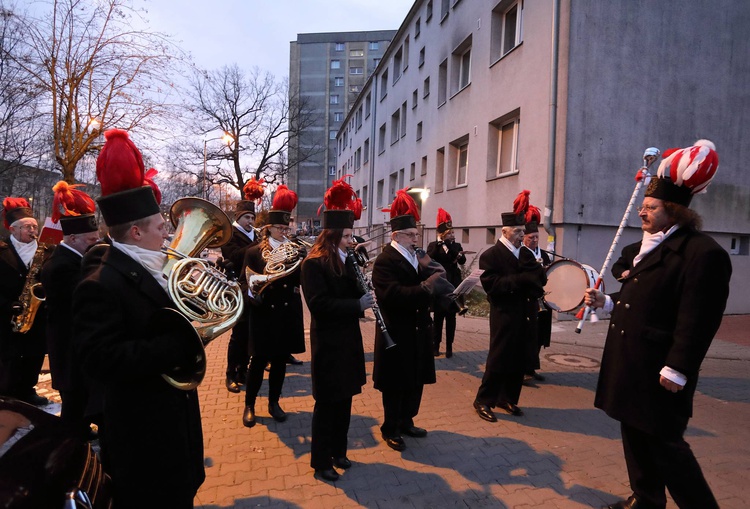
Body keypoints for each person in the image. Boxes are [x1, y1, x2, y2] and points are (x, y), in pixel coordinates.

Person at [584, 140, 729, 509]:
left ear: (674, 212)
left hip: (660, 368)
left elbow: (698, 319)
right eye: (642, 206)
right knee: (633, 434)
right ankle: (647, 500)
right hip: (630, 360)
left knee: (667, 447)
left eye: (650, 207)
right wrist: (607, 301)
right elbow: (641, 302)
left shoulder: (703, 253)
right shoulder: (647, 245)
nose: (641, 212)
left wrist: (678, 368)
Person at [73, 129, 205, 508]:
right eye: (160, 225)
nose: (169, 230)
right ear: (135, 231)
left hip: (174, 422)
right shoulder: (100, 282)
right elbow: (100, 360)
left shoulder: (158, 267)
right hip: (142, 433)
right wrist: (179, 343)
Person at [300, 178, 371, 482]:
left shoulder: (348, 259)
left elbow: (354, 292)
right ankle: (321, 462)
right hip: (328, 342)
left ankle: (339, 451)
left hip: (348, 341)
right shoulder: (314, 264)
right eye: (348, 235)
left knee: (345, 400)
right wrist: (359, 305)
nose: (351, 240)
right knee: (328, 404)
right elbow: (320, 304)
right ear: (334, 234)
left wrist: (362, 280)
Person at [371, 188, 440, 452]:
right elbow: (391, 294)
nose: (415, 238)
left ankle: (408, 420)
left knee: (415, 379)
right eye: (410, 235)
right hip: (397, 331)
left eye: (416, 234)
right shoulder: (385, 260)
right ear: (396, 236)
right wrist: (424, 288)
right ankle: (391, 427)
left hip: (419, 328)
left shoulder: (416, 256)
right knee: (395, 383)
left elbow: (431, 283)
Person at [473, 190, 547, 422]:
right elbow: (492, 285)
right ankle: (483, 400)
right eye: (517, 232)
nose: (521, 235)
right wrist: (523, 280)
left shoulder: (524, 253)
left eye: (522, 232)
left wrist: (536, 276)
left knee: (519, 359)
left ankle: (507, 398)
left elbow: (538, 279)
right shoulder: (491, 256)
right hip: (504, 313)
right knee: (499, 358)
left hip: (526, 313)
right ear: (504, 232)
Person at [242, 185, 305, 427]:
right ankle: (249, 404)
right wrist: (252, 297)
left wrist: (302, 260)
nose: (284, 232)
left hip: (286, 312)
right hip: (262, 313)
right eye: (280, 228)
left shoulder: (294, 250)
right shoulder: (254, 252)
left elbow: (299, 280)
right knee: (257, 362)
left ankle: (274, 402)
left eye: (286, 228)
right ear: (269, 228)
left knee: (279, 362)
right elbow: (244, 282)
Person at [40, 182, 100, 438]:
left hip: (77, 347)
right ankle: (68, 450)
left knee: (83, 400)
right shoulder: (61, 265)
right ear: (72, 238)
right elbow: (84, 298)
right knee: (74, 406)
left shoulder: (77, 258)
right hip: (69, 348)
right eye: (91, 240)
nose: (95, 243)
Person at [0, 198, 54, 406]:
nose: (32, 230)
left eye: (34, 226)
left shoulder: (46, 250)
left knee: (35, 353)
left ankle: (27, 389)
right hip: (9, 314)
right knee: (9, 355)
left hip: (38, 312)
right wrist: (6, 304)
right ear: (13, 230)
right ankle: (7, 391)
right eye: (27, 227)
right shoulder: (2, 250)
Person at [220, 178, 263, 393]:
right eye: (247, 217)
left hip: (252, 288)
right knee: (238, 335)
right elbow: (234, 256)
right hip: (237, 288)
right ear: (239, 218)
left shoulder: (255, 235)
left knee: (250, 333)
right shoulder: (231, 235)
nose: (251, 221)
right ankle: (230, 373)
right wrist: (256, 248)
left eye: (252, 217)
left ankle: (243, 369)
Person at [426, 208, 466, 358]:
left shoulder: (456, 246)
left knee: (451, 317)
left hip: (453, 282)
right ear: (442, 234)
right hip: (440, 282)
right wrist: (440, 244)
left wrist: (459, 255)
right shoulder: (434, 245)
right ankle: (435, 346)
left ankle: (449, 347)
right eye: (449, 233)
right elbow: (430, 258)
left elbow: (462, 261)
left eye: (452, 233)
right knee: (438, 317)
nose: (452, 235)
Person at [521, 208, 552, 383]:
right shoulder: (522, 255)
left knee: (540, 335)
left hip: (544, 301)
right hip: (529, 301)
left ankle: (532, 368)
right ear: (524, 238)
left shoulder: (544, 255)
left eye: (536, 237)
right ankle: (523, 370)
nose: (534, 240)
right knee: (528, 336)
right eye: (530, 237)